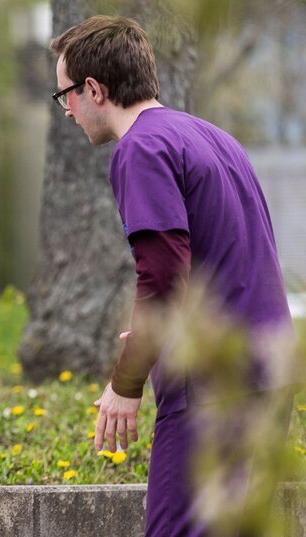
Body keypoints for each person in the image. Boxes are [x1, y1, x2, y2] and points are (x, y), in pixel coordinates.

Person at [50, 16, 295, 537]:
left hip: (212, 388)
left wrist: (126, 383)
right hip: (270, 376)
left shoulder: (140, 149)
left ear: (94, 88)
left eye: (65, 95)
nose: (67, 110)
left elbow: (163, 275)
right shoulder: (214, 138)